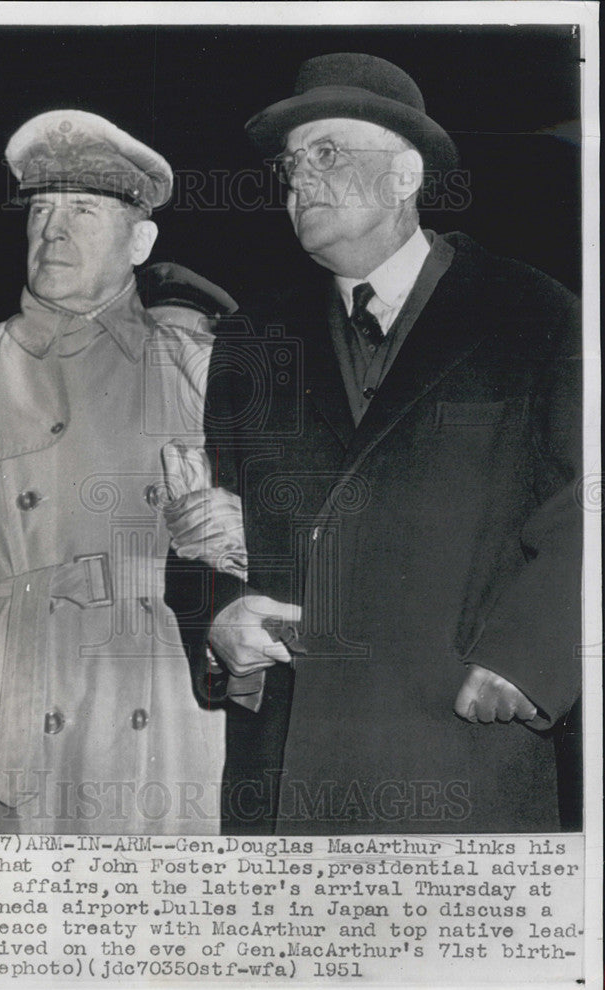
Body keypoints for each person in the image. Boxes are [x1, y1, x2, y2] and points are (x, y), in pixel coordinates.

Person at [168, 53, 582, 834]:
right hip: (283, 770)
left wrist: (533, 657)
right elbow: (201, 522)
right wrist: (217, 623)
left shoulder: (534, 314)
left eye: (326, 153)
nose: (298, 180)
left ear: (404, 175)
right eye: (289, 166)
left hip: (461, 758)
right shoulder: (252, 338)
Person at [0, 110, 230, 834]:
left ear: (141, 240)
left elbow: (274, 546)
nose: (53, 230)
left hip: (159, 717)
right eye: (41, 209)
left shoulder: (206, 372)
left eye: (83, 211)